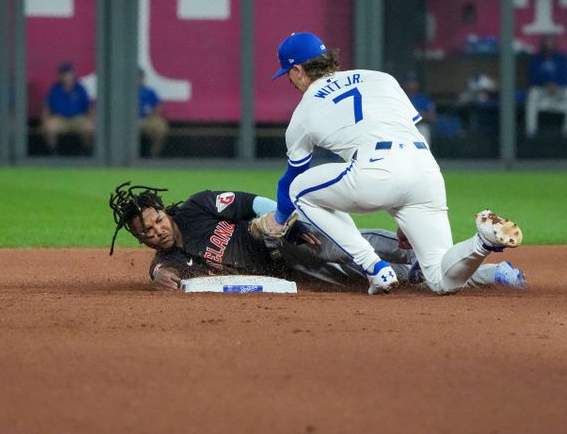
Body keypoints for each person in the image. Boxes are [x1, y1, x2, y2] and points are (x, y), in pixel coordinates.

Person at [259, 31, 523, 295]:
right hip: (425, 170)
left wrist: (279, 220)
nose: (290, 81)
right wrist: (405, 212)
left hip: (375, 171)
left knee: (299, 189)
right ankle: (482, 242)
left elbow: (293, 177)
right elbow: (406, 133)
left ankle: (373, 267)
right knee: (441, 279)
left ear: (298, 69)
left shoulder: (304, 111)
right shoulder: (381, 78)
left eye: (288, 74)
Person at [108, 183, 527, 292]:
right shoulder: (167, 263)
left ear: (164, 211)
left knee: (331, 245)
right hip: (287, 273)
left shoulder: (199, 207)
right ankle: (493, 273)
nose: (155, 231)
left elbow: (254, 203)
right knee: (377, 279)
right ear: (138, 238)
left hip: (276, 239)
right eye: (145, 231)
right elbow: (173, 281)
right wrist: (161, 280)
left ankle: (405, 244)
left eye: (156, 220)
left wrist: (291, 220)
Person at [41, 61, 94, 154]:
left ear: (73, 74)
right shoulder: (55, 89)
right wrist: (44, 122)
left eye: (68, 73)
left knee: (89, 127)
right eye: (63, 74)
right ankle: (53, 153)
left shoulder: (80, 88)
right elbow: (47, 108)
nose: (66, 76)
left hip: (77, 118)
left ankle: (87, 152)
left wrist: (92, 120)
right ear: (60, 75)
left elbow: (88, 107)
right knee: (49, 127)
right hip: (60, 118)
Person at [525, 35, 567, 138]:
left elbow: (565, 76)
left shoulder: (561, 59)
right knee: (532, 94)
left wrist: (555, 83)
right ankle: (531, 131)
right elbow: (532, 78)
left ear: (555, 45)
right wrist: (546, 82)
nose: (549, 46)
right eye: (547, 43)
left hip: (559, 91)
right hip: (542, 91)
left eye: (551, 43)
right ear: (542, 45)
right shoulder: (536, 59)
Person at [138, 68, 170, 157]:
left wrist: (151, 115)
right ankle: (123, 156)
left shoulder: (149, 91)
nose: (138, 79)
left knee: (161, 127)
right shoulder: (125, 91)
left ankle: (153, 155)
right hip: (128, 122)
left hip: (147, 120)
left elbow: (158, 107)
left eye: (140, 76)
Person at [402, 75, 437, 144]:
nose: (410, 85)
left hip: (420, 126)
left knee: (423, 129)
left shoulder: (424, 99)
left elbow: (433, 118)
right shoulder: (400, 97)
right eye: (408, 82)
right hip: (403, 126)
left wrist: (416, 114)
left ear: (417, 84)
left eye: (413, 82)